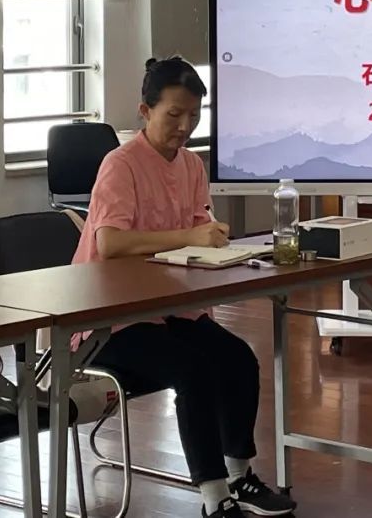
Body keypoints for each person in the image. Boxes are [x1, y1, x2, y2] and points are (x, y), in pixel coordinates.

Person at [73, 57, 297, 518]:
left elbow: (199, 230)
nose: (185, 126)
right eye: (174, 115)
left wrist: (214, 240)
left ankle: (240, 475)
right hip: (111, 319)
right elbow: (111, 243)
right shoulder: (120, 165)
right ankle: (214, 497)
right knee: (193, 370)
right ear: (145, 111)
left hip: (170, 307)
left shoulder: (192, 165)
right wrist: (190, 236)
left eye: (194, 116)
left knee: (238, 359)